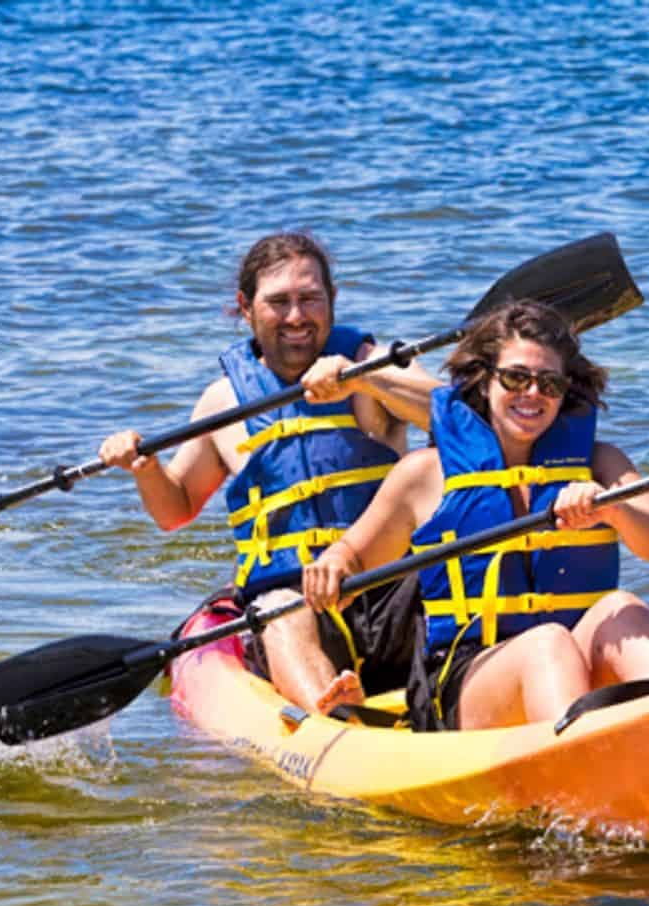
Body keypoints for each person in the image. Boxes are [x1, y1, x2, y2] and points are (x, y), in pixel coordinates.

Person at [300, 299, 649, 731]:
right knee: (547, 644)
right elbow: (354, 558)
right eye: (515, 378)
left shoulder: (600, 463)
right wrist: (333, 564)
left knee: (624, 608)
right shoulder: (424, 474)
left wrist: (613, 509)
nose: (532, 394)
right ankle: (580, 763)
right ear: (483, 381)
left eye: (549, 383)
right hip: (467, 678)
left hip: (573, 654)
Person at [99, 231, 439, 713]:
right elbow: (175, 510)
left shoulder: (372, 365)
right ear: (245, 307)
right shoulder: (224, 402)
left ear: (332, 300)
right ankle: (336, 714)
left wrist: (365, 378)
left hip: (390, 585)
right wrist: (145, 467)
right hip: (296, 597)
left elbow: (454, 415)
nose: (297, 317)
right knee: (282, 613)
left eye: (310, 299)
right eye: (279, 302)